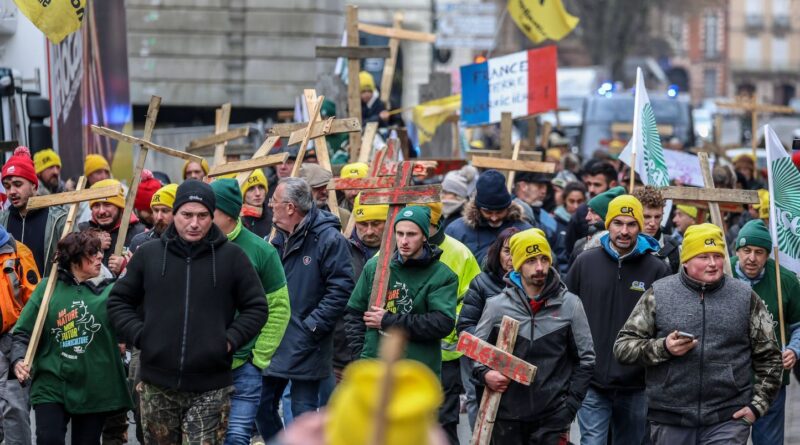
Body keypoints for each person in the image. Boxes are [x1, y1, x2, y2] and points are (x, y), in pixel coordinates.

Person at [107, 180, 269, 444]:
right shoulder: (149, 255)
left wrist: (229, 340)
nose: (194, 223)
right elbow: (118, 301)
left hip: (211, 385)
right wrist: (142, 334)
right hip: (157, 385)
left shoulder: (232, 257)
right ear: (175, 214)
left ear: (212, 216)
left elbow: (257, 306)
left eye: (202, 215)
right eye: (187, 215)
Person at [614, 223, 783, 445]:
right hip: (670, 420)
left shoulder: (744, 296)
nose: (713, 264)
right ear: (686, 260)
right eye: (703, 256)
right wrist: (663, 348)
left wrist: (756, 408)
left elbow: (770, 357)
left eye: (717, 255)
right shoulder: (659, 293)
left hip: (727, 420)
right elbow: (623, 347)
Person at [565, 194, 671, 445]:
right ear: (608, 225)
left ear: (639, 227)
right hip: (592, 382)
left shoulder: (657, 269)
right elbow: (565, 315)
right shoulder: (584, 262)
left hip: (636, 385)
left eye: (631, 224)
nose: (624, 231)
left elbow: (664, 326)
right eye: (618, 223)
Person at [474, 229, 595, 444]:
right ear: (518, 264)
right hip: (506, 417)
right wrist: (485, 375)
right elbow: (476, 355)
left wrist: (569, 408)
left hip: (551, 417)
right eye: (530, 260)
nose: (539, 267)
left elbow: (586, 361)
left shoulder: (570, 304)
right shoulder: (496, 306)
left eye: (543, 259)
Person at [12, 230, 132, 445]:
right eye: (92, 252)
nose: (100, 256)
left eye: (99, 252)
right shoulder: (47, 289)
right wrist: (19, 359)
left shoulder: (112, 290)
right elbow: (22, 333)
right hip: (51, 382)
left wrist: (131, 270)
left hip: (94, 385)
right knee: (48, 439)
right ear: (75, 259)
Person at [257, 177, 353, 441]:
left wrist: (312, 325)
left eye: (274, 201)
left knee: (303, 414)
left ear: (289, 207)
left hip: (309, 341)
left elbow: (342, 288)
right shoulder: (275, 237)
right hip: (276, 338)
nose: (269, 205)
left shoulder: (328, 239)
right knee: (260, 405)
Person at [210, 179, 291, 445]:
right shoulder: (195, 248)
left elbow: (278, 307)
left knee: (236, 437)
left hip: (245, 367)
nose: (201, 219)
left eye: (211, 211)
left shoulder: (261, 251)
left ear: (230, 213)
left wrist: (258, 357)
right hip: (203, 367)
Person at [345, 205, 458, 375]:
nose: (404, 241)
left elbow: (441, 323)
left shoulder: (442, 276)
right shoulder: (375, 267)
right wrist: (360, 356)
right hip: (374, 368)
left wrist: (388, 321)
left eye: (412, 234)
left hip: (417, 373)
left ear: (425, 236)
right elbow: (354, 313)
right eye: (400, 233)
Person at [731, 219, 800, 445]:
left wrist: (794, 349)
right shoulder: (719, 271)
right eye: (746, 250)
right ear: (737, 251)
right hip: (729, 380)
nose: (752, 258)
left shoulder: (785, 280)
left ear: (767, 254)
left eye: (759, 252)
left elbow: (799, 324)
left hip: (770, 379)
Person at [420, 202, 480, 445]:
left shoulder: (459, 253)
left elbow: (473, 300)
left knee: (444, 421)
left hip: (446, 354)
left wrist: (445, 324)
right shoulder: (390, 253)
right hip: (406, 353)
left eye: (426, 226)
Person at [457, 226, 519, 428]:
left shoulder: (537, 285)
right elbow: (466, 326)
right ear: (498, 252)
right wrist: (494, 346)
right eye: (507, 250)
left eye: (518, 250)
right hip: (484, 364)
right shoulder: (482, 283)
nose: (512, 257)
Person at [338, 193, 388, 378]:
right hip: (342, 351)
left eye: (376, 224)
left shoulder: (401, 252)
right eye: (363, 224)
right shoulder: (341, 250)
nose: (368, 231)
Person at [0, 146, 67, 273]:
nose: (11, 192)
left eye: (18, 184)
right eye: (7, 186)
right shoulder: (1, 222)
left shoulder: (59, 220)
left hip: (47, 292)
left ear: (34, 186)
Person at [0, 225, 39, 444]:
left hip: (11, 342)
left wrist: (19, 347)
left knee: (14, 408)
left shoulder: (18, 252)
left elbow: (34, 304)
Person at [445, 169, 531, 265]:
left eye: (499, 212)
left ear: (508, 207)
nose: (494, 218)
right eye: (488, 212)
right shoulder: (456, 231)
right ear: (478, 208)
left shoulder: (525, 231)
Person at [77, 179, 145, 275]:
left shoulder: (141, 233)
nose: (101, 211)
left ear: (120, 207)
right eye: (96, 206)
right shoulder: (80, 231)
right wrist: (92, 244)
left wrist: (125, 267)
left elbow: (151, 274)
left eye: (107, 204)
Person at [633, 185, 681, 274]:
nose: (652, 223)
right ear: (635, 216)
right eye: (646, 217)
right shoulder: (620, 245)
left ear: (663, 215)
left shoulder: (675, 250)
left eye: (657, 217)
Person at [128, 183, 178, 253]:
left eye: (165, 211)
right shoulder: (140, 242)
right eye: (156, 210)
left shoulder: (190, 240)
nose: (159, 217)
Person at [76, 154, 114, 224]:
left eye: (106, 172)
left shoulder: (120, 193)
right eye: (99, 172)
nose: (104, 176)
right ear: (89, 176)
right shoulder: (78, 202)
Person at [440, 165, 479, 230]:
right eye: (442, 192)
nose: (442, 195)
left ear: (459, 195)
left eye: (447, 192)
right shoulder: (443, 215)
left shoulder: (464, 221)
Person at [240, 169, 272, 238]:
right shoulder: (235, 222)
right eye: (251, 189)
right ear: (243, 193)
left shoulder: (274, 220)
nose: (257, 193)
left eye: (261, 187)